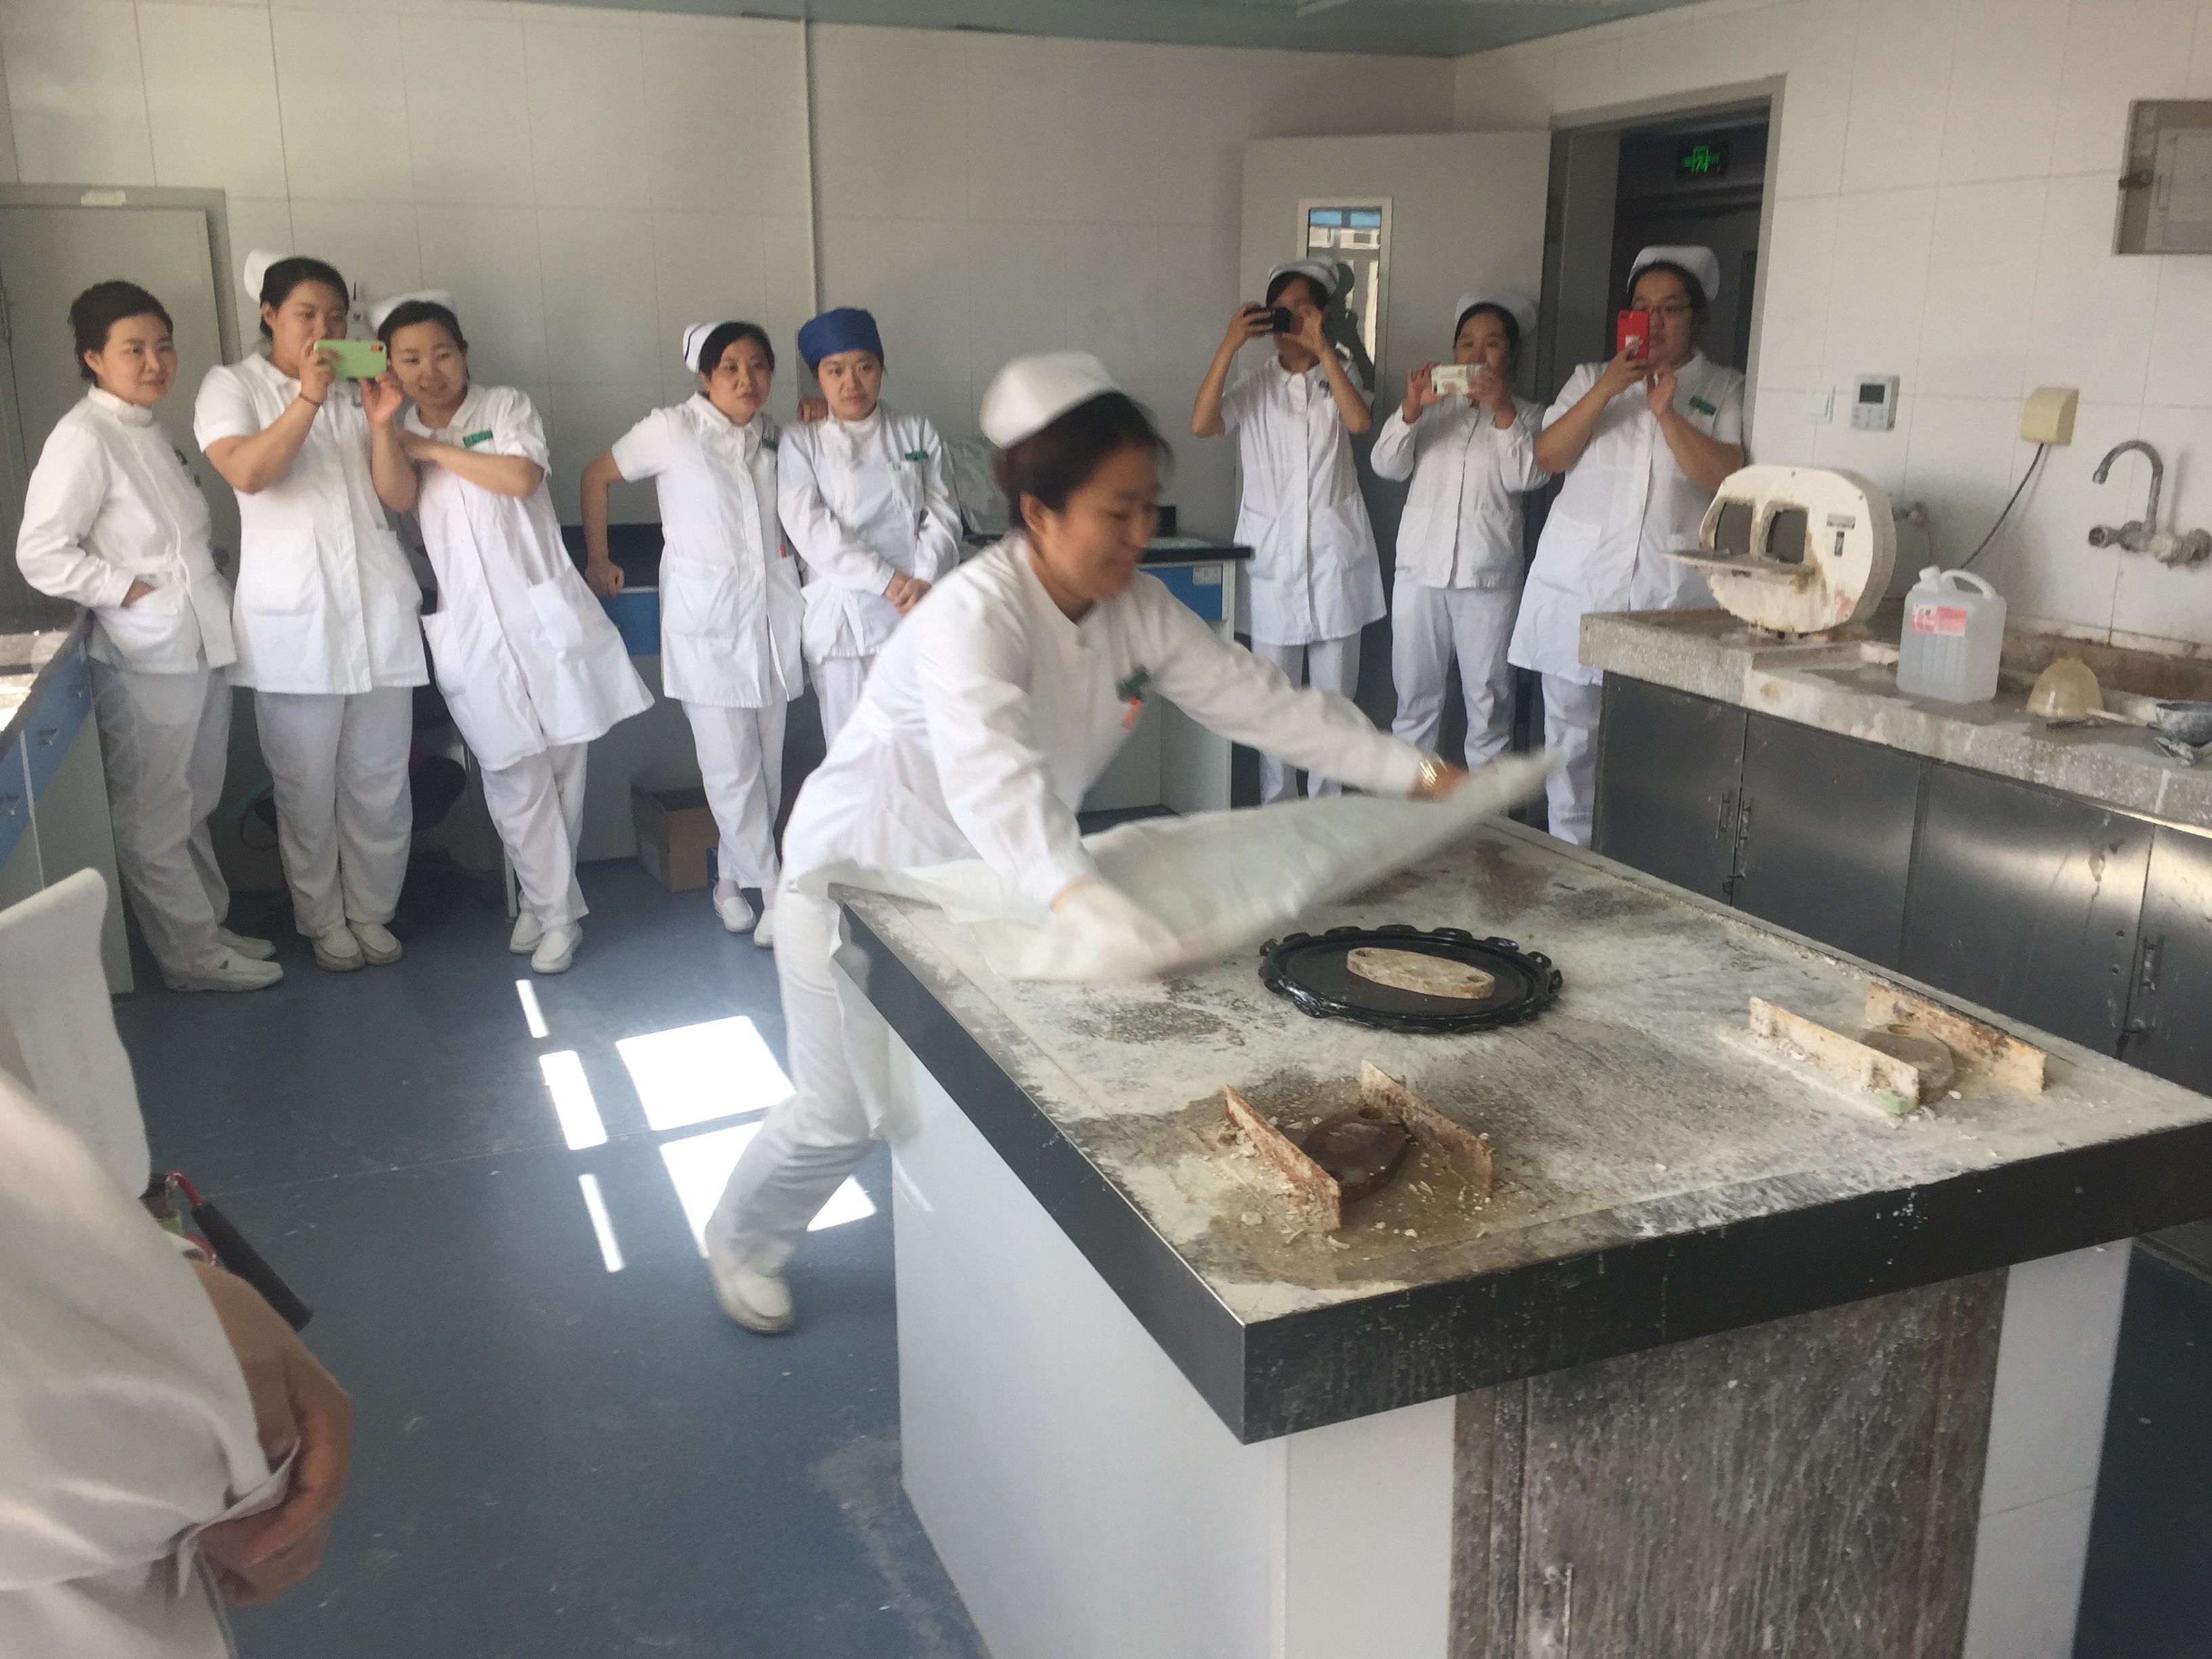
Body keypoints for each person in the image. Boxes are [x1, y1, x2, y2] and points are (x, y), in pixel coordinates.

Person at [700, 352, 1466, 1335]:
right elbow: (997, 784)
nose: (1141, 534)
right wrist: (1084, 902)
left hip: (987, 881)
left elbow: (1263, 702)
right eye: (1117, 511)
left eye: (1149, 507)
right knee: (841, 1109)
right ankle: (741, 1240)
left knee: (990, 1083)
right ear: (1041, 515)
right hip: (859, 874)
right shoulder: (976, 614)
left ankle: (998, 1279)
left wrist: (1420, 774)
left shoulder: (1134, 609)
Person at [14, 281, 280, 993]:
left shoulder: (147, 429)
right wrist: (124, 589)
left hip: (197, 639)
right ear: (94, 358)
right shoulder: (83, 438)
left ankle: (207, 926)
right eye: (134, 349)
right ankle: (190, 958)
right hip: (145, 651)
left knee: (194, 799)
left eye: (163, 346)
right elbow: (40, 552)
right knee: (154, 812)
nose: (155, 362)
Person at [377, 293, 652, 974]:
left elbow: (521, 477)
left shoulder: (504, 408)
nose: (429, 370)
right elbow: (398, 498)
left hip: (541, 617)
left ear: (464, 353)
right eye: (410, 359)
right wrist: (388, 430)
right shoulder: (395, 430)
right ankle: (558, 915)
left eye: (442, 353)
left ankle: (541, 901)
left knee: (563, 770)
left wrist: (431, 448)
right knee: (509, 772)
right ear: (390, 368)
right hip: (471, 627)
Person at [194, 251, 425, 971]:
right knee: (304, 787)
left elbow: (400, 497)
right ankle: (323, 919)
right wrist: (308, 399)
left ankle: (373, 911)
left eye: (336, 316)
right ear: (269, 315)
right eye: (306, 315)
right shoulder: (232, 385)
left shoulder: (361, 389)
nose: (324, 329)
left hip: (377, 611)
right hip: (295, 624)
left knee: (380, 782)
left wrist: (382, 422)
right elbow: (248, 473)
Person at [1509, 245, 1746, 846]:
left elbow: (1726, 476)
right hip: (1579, 590)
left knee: (1660, 748)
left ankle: (1642, 868)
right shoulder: (1591, 378)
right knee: (1571, 745)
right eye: (1642, 307)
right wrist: (1608, 388)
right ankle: (1569, 863)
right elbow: (1547, 455)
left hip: (1666, 597)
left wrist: (1668, 416)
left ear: (1696, 317)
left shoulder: (1723, 387)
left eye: (1670, 308)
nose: (1654, 321)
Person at [580, 322, 803, 944]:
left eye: (758, 365)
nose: (746, 378)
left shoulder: (773, 437)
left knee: (765, 774)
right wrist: (598, 558)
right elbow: (595, 476)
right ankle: (775, 894)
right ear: (705, 377)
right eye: (730, 366)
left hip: (770, 623)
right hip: (708, 627)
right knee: (730, 771)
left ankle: (727, 884)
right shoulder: (672, 429)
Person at [1190, 258, 1385, 803]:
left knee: (1335, 709)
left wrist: (1325, 351)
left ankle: (1328, 817)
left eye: (1303, 310)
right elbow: (1202, 424)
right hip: (1274, 568)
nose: (1291, 321)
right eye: (1281, 311)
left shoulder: (1343, 374)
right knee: (1275, 707)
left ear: (1322, 315)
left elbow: (1359, 422)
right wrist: (1230, 345)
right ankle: (1279, 815)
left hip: (1334, 565)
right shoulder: (1254, 385)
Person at [1370, 291, 1549, 768]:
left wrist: (1503, 410)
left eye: (1492, 343)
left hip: (1488, 580)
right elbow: (1386, 465)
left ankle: (1484, 816)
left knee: (1490, 708)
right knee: (1414, 703)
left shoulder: (1530, 415)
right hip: (1420, 574)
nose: (1478, 354)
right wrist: (1412, 408)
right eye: (1467, 343)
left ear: (1511, 353)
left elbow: (1527, 476)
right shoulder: (1431, 410)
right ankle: (1415, 808)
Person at [777, 306, 962, 744]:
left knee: (917, 747)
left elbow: (943, 514)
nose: (851, 383)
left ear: (881, 368)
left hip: (913, 606)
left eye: (865, 367)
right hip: (844, 617)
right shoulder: (801, 441)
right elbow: (810, 528)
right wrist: (885, 579)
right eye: (835, 370)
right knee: (852, 749)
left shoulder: (916, 432)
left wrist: (923, 578)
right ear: (818, 378)